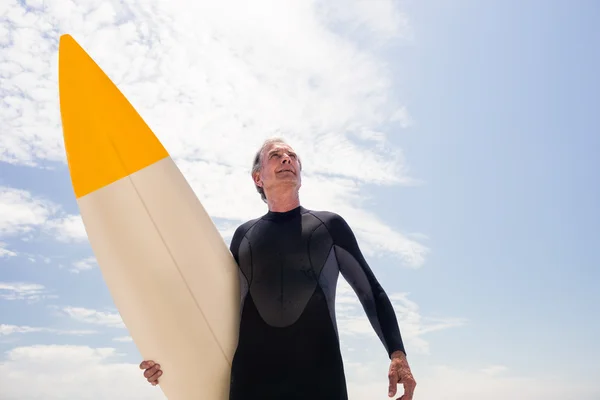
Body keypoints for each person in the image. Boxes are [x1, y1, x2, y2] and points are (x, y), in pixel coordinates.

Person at [140, 138, 416, 399]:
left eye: (292, 156)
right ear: (258, 178)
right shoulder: (244, 236)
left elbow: (370, 292)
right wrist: (168, 361)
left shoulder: (330, 227)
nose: (287, 159)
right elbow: (211, 307)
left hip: (320, 382)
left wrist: (397, 353)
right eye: (276, 155)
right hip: (252, 384)